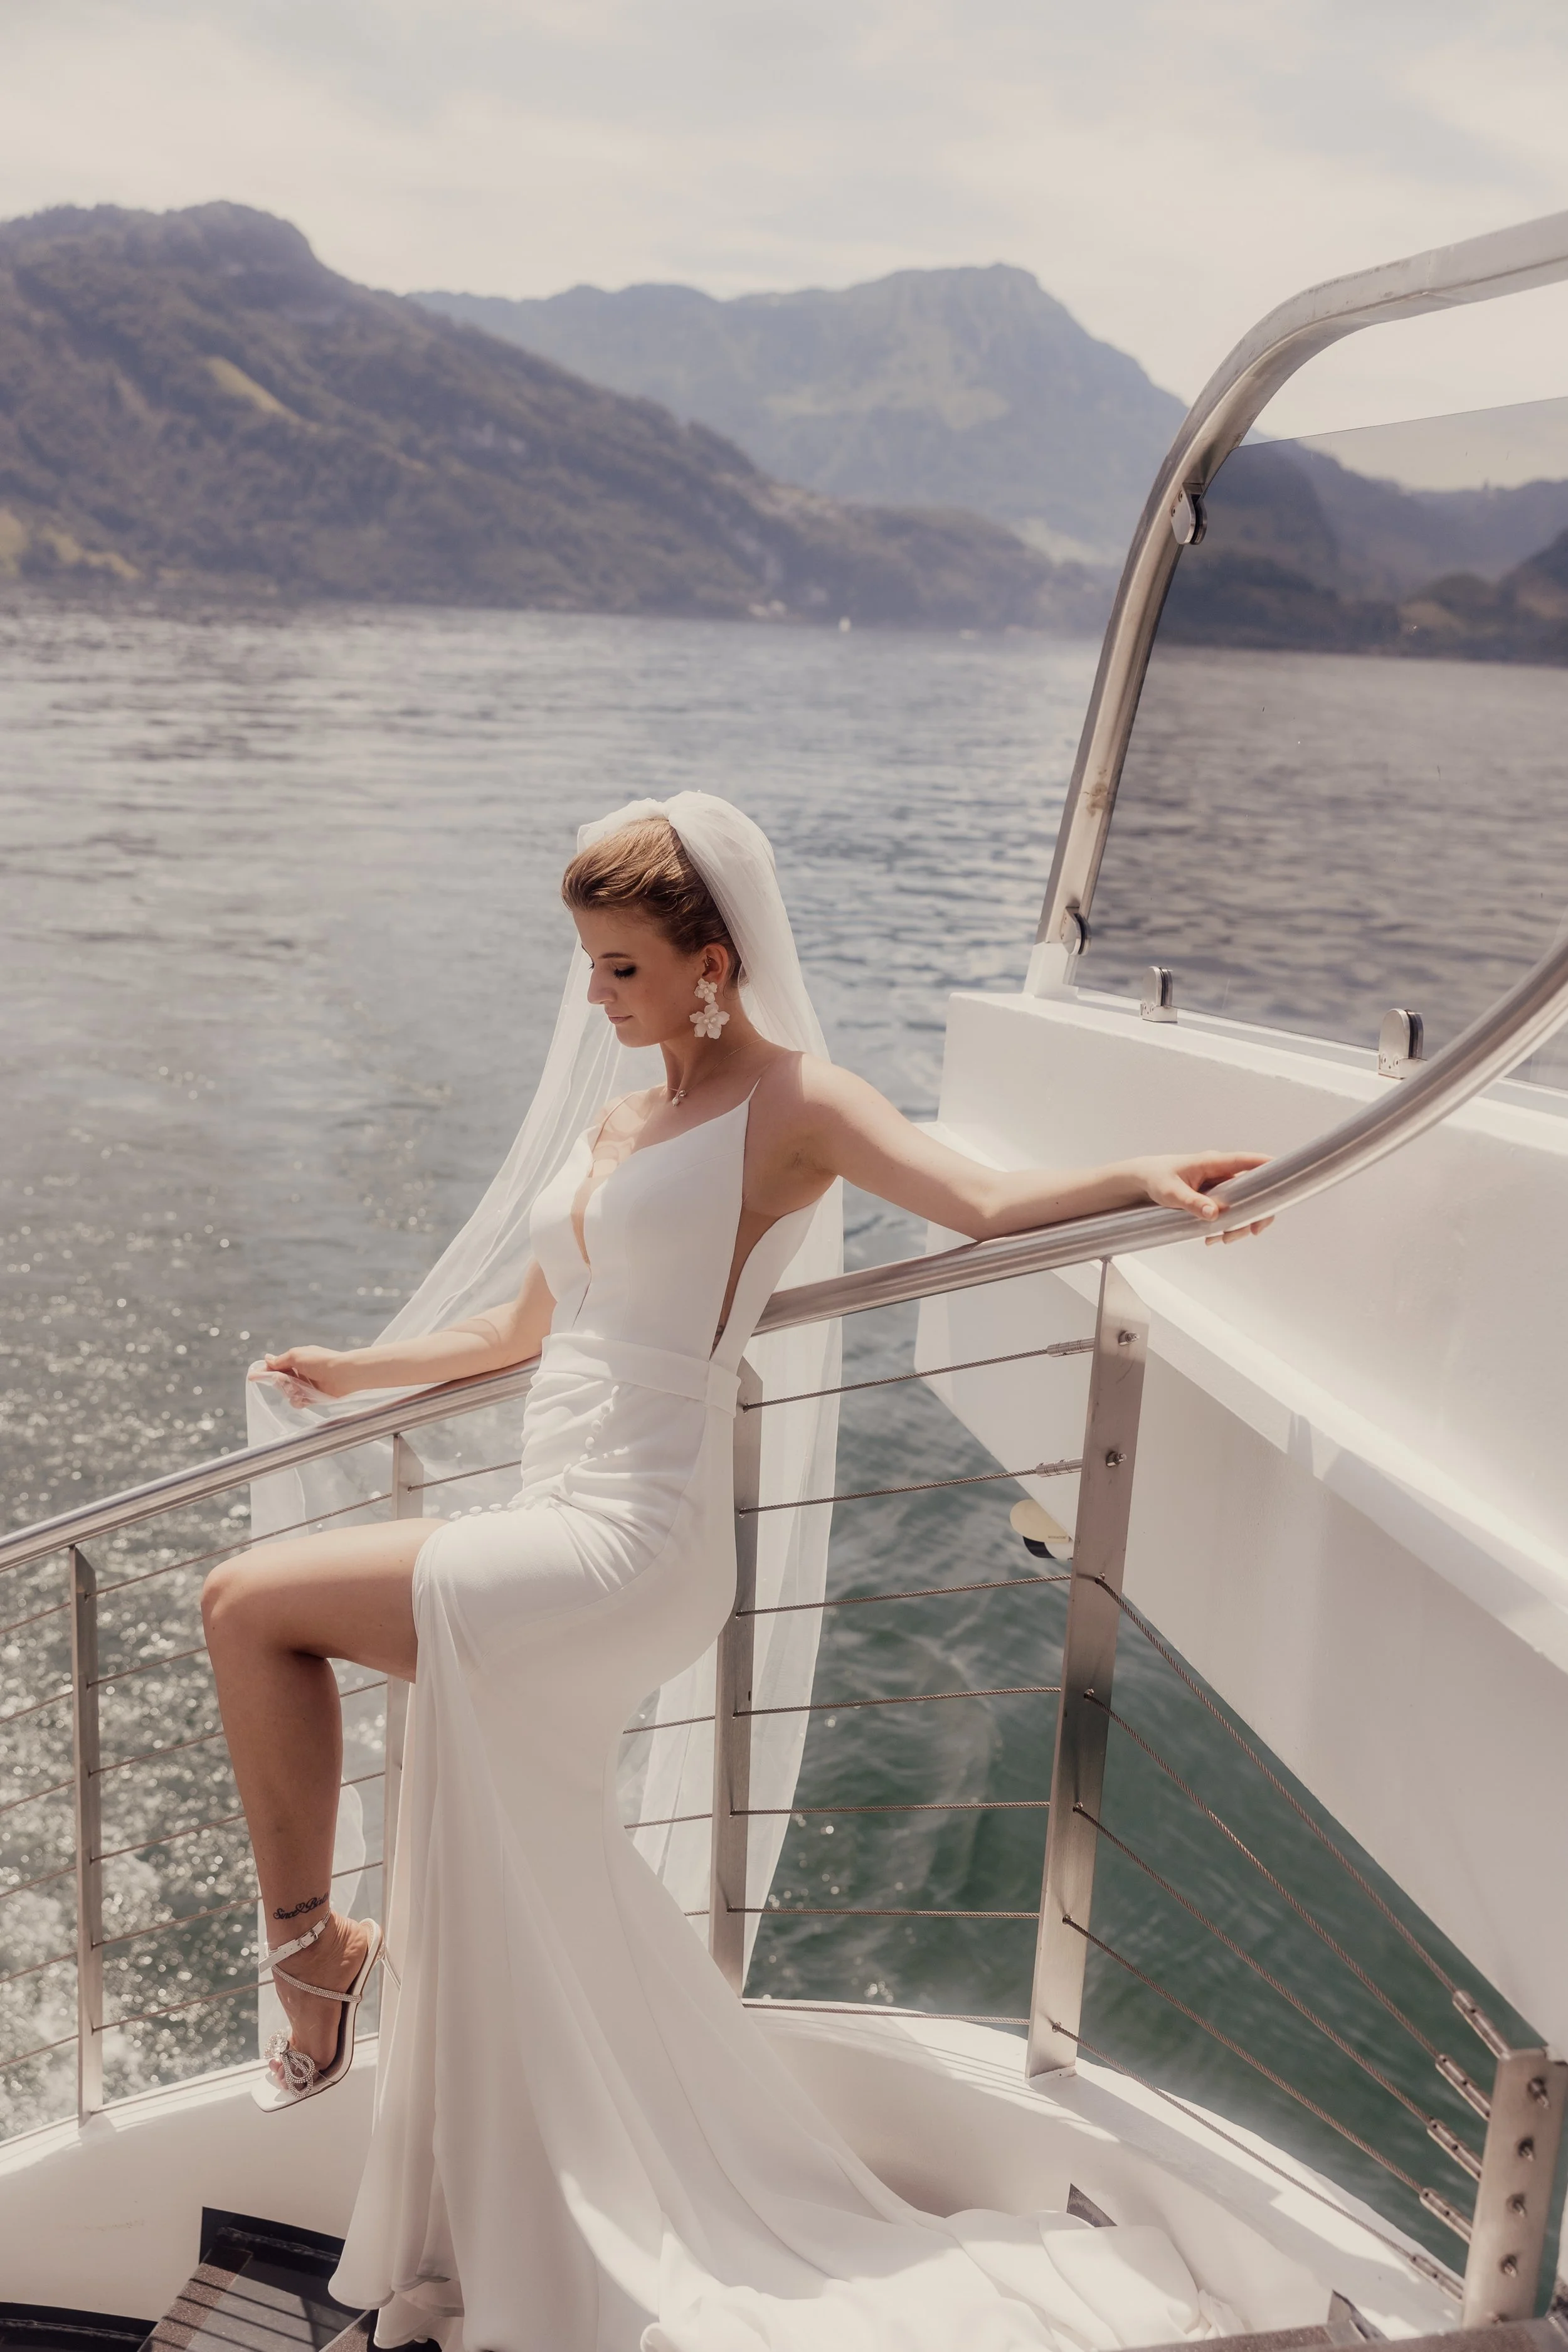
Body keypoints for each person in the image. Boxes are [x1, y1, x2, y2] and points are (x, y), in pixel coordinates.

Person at [205, 794, 1268, 2351]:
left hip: (631, 1532)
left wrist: (1140, 1176)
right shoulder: (623, 1118)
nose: (595, 999)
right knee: (527, 1855)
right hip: (555, 1498)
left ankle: (318, 1960)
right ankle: (519, 2172)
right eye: (586, 964)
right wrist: (355, 1373)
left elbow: (974, 1204)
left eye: (620, 969)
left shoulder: (792, 1106)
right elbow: (517, 1337)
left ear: (710, 963)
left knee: (247, 1604)